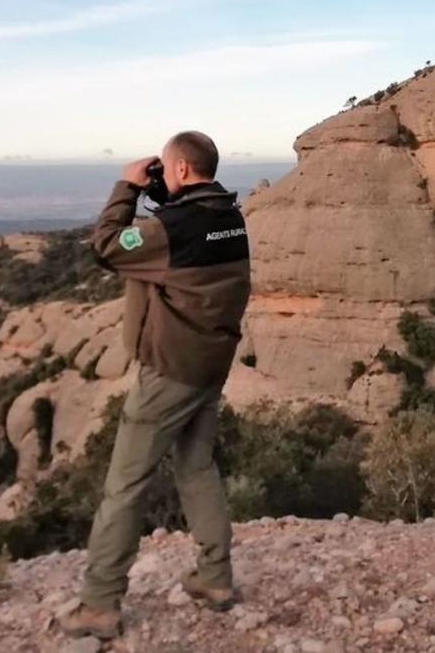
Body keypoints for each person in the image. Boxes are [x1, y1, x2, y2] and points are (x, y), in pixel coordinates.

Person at [60, 131, 251, 640]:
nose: (164, 178)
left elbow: (106, 245)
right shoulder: (229, 218)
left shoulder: (172, 229)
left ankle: (99, 604)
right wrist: (165, 194)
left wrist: (126, 187)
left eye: (168, 171)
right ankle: (215, 579)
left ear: (182, 170)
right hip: (211, 364)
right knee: (197, 467)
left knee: (124, 486)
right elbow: (185, 227)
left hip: (169, 370)